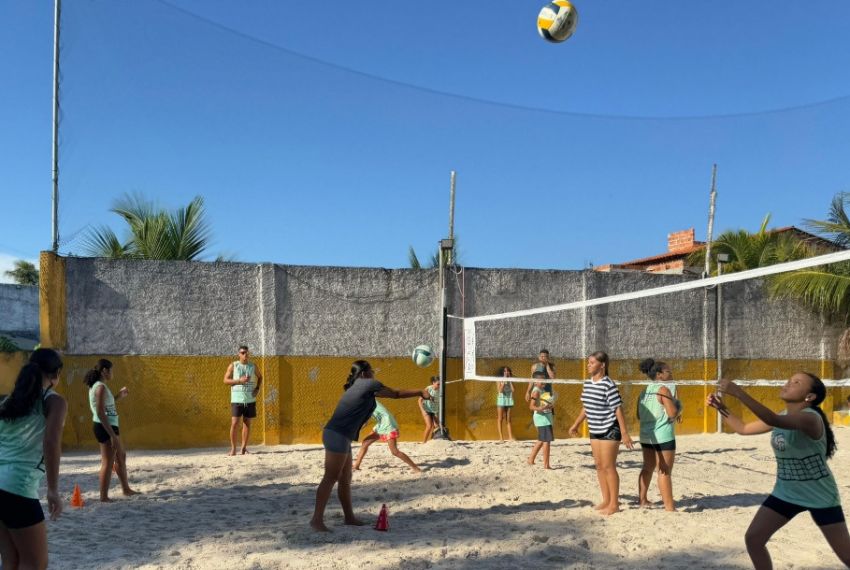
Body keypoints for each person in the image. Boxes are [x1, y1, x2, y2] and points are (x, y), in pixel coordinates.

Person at [709, 373, 850, 569]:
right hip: (786, 492)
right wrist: (720, 408)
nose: (788, 383)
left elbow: (771, 418)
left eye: (796, 382)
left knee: (847, 556)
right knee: (754, 539)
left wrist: (739, 393)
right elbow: (743, 428)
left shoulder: (810, 418)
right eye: (789, 380)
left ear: (809, 397)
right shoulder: (783, 415)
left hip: (820, 496)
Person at [310, 360, 430, 532]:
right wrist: (420, 391)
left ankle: (349, 517)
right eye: (372, 371)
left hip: (342, 436)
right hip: (337, 434)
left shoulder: (359, 387)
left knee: (345, 479)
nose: (374, 374)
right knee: (330, 477)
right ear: (365, 373)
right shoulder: (368, 383)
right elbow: (395, 393)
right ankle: (316, 520)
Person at [0, 348, 68, 570]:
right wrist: (53, 490)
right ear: (56, 374)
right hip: (18, 487)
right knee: (35, 563)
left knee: (11, 561)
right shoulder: (54, 402)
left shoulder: (8, 402)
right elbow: (51, 443)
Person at [569, 351, 634, 515]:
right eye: (588, 362)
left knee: (608, 466)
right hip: (595, 430)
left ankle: (614, 504)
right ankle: (606, 499)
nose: (588, 365)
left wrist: (625, 433)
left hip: (610, 429)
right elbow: (586, 406)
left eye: (592, 362)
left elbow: (618, 409)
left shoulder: (608, 384)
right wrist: (576, 424)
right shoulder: (588, 383)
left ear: (602, 365)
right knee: (599, 466)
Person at [85, 359, 139, 502]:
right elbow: (101, 412)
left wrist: (118, 396)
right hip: (104, 426)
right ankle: (103, 496)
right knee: (107, 462)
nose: (112, 373)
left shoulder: (101, 386)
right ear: (104, 371)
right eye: (111, 370)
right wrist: (113, 437)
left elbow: (107, 405)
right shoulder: (100, 387)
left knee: (121, 456)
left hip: (110, 425)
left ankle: (126, 489)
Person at [636, 358, 681, 511]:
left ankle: (642, 500)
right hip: (663, 435)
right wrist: (678, 409)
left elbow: (638, 415)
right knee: (664, 472)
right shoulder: (663, 389)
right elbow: (672, 412)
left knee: (647, 467)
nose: (671, 373)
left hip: (646, 435)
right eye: (668, 371)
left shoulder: (643, 391)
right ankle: (669, 507)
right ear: (660, 374)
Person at [352, 401, 420, 473]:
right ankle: (356, 465)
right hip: (381, 424)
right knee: (365, 442)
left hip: (388, 426)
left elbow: (365, 422)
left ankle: (416, 468)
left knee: (395, 451)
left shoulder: (367, 401)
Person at [223, 345, 263, 456]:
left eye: (246, 352)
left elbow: (260, 377)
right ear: (239, 354)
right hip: (237, 399)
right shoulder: (234, 365)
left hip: (250, 399)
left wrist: (257, 389)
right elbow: (225, 380)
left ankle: (244, 448)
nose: (245, 355)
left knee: (247, 423)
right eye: (243, 352)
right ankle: (233, 449)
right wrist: (239, 381)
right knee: (235, 423)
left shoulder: (253, 366)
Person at [527, 372, 554, 469]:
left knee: (541, 440)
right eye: (541, 380)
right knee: (546, 441)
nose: (544, 381)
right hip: (542, 419)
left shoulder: (542, 390)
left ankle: (531, 459)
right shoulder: (536, 391)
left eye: (544, 379)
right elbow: (531, 406)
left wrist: (549, 405)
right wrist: (542, 408)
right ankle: (546, 465)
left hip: (546, 417)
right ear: (535, 382)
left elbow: (543, 404)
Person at [418, 376, 441, 443]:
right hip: (426, 410)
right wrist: (422, 410)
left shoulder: (440, 390)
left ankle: (432, 441)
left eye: (440, 384)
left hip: (435, 410)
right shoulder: (428, 389)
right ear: (433, 383)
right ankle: (424, 442)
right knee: (429, 426)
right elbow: (419, 400)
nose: (439, 386)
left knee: (437, 426)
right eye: (438, 384)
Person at [496, 366, 515, 441]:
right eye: (505, 371)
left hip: (509, 400)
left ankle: (510, 437)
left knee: (508, 419)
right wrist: (504, 381)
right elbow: (500, 391)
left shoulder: (511, 380)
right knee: (500, 418)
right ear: (502, 373)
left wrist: (509, 380)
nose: (506, 372)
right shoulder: (498, 380)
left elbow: (513, 390)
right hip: (501, 400)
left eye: (508, 371)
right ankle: (501, 437)